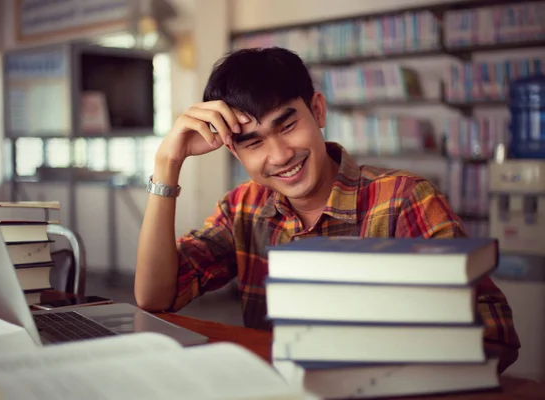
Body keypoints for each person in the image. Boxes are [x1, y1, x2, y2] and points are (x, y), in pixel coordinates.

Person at [134, 47, 520, 372]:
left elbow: (495, 336)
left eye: (287, 126)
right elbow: (157, 297)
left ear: (317, 111)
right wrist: (168, 162)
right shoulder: (243, 207)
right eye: (253, 143)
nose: (280, 155)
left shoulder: (404, 198)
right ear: (233, 150)